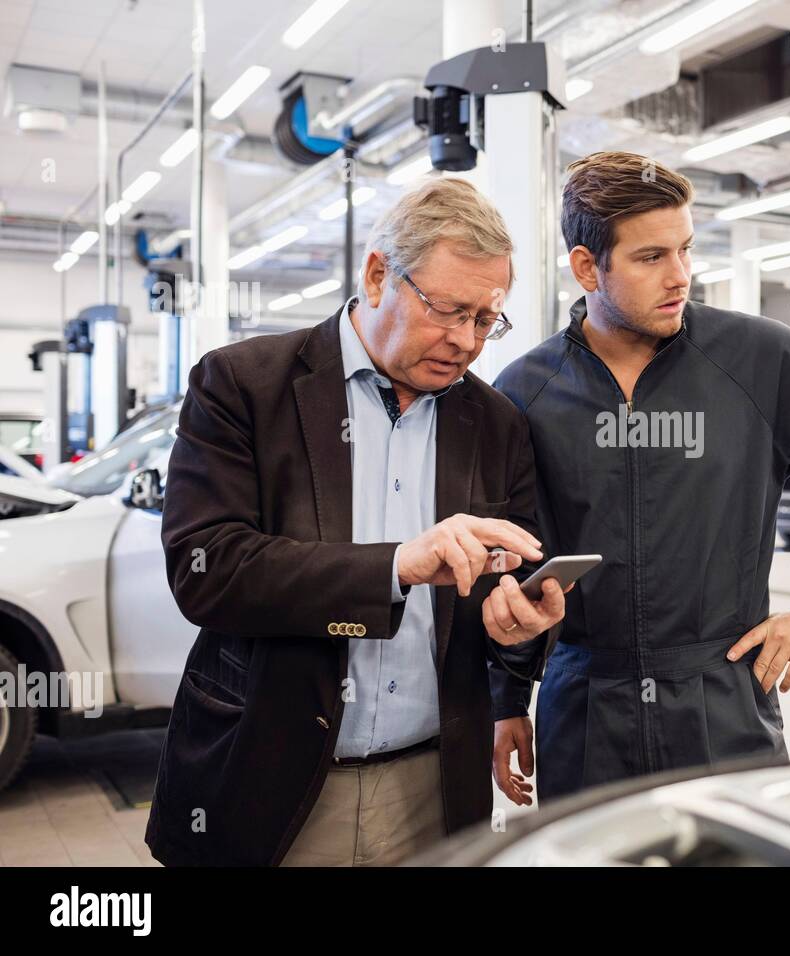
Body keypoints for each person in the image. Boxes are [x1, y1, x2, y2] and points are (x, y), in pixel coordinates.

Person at [146, 177, 564, 866]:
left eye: (486, 320)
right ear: (378, 276)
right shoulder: (245, 386)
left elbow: (499, 589)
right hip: (271, 778)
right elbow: (208, 569)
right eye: (448, 311)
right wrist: (396, 567)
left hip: (431, 789)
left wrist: (518, 630)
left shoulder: (496, 425)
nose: (466, 341)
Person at [489, 151, 790, 805]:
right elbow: (515, 558)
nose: (679, 276)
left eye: (685, 249)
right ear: (585, 267)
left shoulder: (761, 359)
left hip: (724, 705)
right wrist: (508, 697)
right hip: (585, 711)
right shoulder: (526, 392)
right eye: (650, 257)